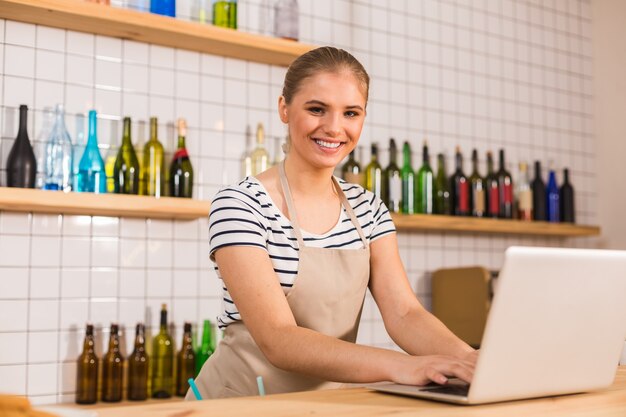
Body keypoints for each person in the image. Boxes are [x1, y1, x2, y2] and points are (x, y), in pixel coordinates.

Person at [188, 46, 477, 399]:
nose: (334, 128)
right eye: (316, 109)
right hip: (241, 403)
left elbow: (404, 313)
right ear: (284, 108)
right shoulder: (241, 205)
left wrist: (470, 359)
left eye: (351, 113)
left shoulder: (368, 208)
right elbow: (279, 339)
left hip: (325, 404)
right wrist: (405, 366)